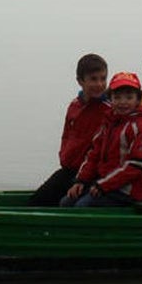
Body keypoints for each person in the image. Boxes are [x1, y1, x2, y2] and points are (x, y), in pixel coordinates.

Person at [26, 54, 111, 206]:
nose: (99, 84)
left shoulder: (109, 110)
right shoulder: (74, 106)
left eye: (103, 78)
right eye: (93, 79)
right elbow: (66, 136)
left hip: (91, 173)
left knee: (64, 202)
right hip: (69, 169)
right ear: (80, 81)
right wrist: (64, 155)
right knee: (38, 200)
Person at [61, 72, 142, 208]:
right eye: (117, 97)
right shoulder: (108, 124)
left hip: (127, 191)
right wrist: (80, 181)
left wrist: (103, 185)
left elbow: (136, 166)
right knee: (66, 201)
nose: (123, 102)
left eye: (129, 97)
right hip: (105, 185)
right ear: (110, 99)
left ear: (138, 100)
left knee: (83, 206)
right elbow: (93, 155)